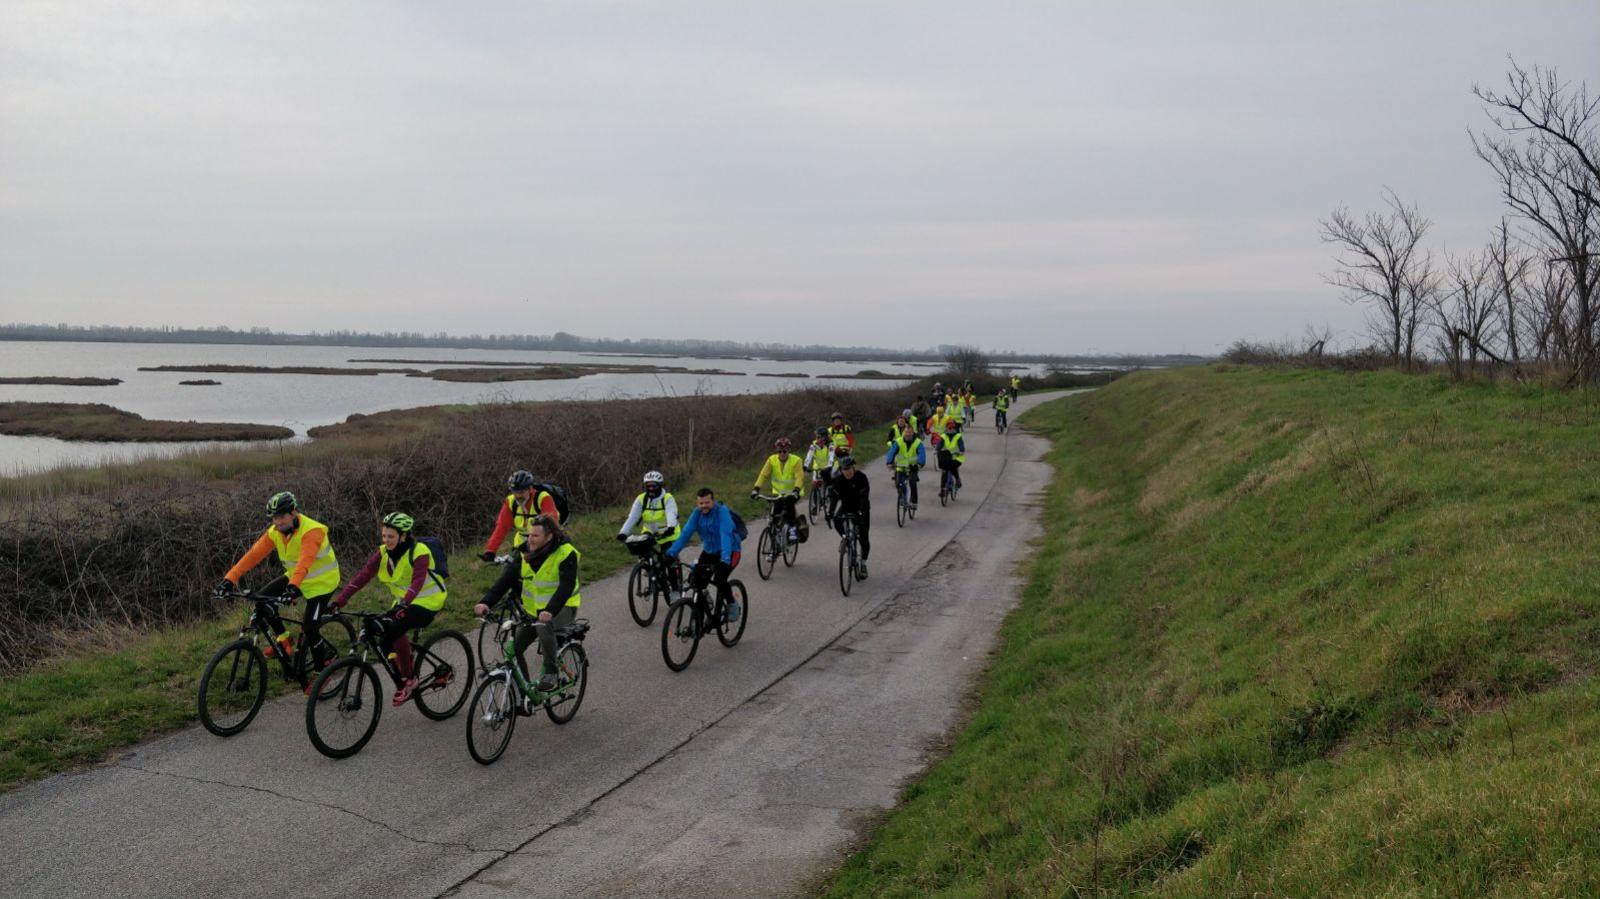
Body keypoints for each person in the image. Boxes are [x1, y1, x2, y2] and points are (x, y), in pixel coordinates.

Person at [330, 512, 448, 705]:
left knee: (394, 628)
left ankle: (410, 681)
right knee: (383, 636)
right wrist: (340, 601)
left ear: (403, 536)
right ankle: (405, 660)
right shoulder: (384, 553)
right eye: (384, 536)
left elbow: (418, 581)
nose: (386, 540)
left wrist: (404, 604)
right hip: (405, 601)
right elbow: (363, 576)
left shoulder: (419, 551)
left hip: (429, 600)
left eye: (390, 536)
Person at [215, 491, 340, 668]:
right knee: (262, 602)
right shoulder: (275, 532)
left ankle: (322, 670)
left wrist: (292, 589)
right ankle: (284, 639)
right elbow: (252, 556)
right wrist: (229, 579)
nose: (277, 522)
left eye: (281, 516)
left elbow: (304, 562)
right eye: (274, 517)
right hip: (296, 579)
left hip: (322, 583)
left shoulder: (312, 531)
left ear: (294, 512)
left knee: (311, 628)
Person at [474, 515, 582, 698]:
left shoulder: (566, 552)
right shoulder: (523, 553)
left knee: (543, 626)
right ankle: (526, 692)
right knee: (512, 650)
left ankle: (551, 671)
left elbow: (566, 586)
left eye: (535, 536)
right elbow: (505, 580)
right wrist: (486, 602)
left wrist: (550, 610)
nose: (530, 539)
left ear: (549, 537)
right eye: (529, 535)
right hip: (533, 612)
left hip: (562, 608)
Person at [666, 488, 743, 624]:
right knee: (695, 580)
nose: (704, 506)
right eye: (701, 503)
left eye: (707, 503)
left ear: (713, 501)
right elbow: (685, 534)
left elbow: (725, 535)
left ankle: (732, 604)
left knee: (720, 579)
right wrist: (671, 553)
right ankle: (701, 615)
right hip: (709, 552)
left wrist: (725, 560)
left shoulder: (721, 512)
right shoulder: (697, 514)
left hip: (730, 551)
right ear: (697, 503)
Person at [614, 470, 683, 595]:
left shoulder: (668, 498)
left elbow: (671, 513)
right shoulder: (641, 499)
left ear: (660, 486)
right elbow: (633, 517)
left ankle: (675, 591)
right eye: (648, 486)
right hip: (650, 532)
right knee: (642, 550)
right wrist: (623, 532)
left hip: (668, 533)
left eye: (654, 486)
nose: (651, 488)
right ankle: (652, 569)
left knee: (669, 561)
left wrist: (671, 527)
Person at [480, 469, 560, 562]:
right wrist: (490, 550)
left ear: (530, 489)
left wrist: (530, 544)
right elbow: (502, 526)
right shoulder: (510, 501)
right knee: (507, 575)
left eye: (521, 492)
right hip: (520, 547)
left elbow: (550, 525)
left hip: (543, 545)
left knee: (538, 575)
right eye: (515, 492)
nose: (518, 496)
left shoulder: (543, 498)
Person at [753, 437, 807, 543]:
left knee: (789, 504)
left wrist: (796, 490)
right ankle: (774, 544)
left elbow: (799, 477)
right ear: (777, 451)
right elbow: (763, 475)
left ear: (789, 450)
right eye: (780, 451)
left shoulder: (796, 461)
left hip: (793, 492)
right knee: (775, 516)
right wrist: (756, 488)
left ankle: (792, 529)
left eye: (785, 451)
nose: (782, 453)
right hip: (778, 493)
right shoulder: (771, 460)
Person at [830, 455, 872, 579]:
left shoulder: (861, 478)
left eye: (849, 469)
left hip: (861, 507)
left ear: (853, 468)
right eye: (844, 469)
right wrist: (830, 512)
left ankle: (863, 564)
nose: (847, 472)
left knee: (863, 538)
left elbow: (864, 498)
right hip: (846, 506)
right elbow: (834, 498)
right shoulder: (839, 480)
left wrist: (861, 513)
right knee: (837, 520)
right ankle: (845, 538)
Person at [884, 419, 926, 509]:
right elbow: (891, 452)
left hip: (913, 467)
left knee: (912, 482)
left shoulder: (918, 442)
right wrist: (889, 462)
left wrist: (920, 463)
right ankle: (903, 498)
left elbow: (922, 454)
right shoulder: (898, 442)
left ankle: (914, 502)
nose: (908, 434)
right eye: (906, 432)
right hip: (900, 467)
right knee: (898, 483)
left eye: (910, 432)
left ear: (912, 433)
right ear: (904, 432)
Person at [804, 427, 835, 500]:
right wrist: (805, 465)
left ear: (824, 437)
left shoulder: (830, 445)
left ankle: (831, 493)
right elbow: (809, 456)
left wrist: (829, 466)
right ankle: (814, 505)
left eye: (819, 436)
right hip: (817, 466)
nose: (817, 438)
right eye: (816, 436)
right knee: (814, 485)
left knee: (828, 481)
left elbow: (831, 456)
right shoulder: (813, 445)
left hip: (827, 466)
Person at [939, 419, 967, 492]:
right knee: (944, 471)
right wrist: (936, 450)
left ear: (955, 428)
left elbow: (961, 445)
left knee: (952, 466)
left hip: (957, 458)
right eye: (949, 428)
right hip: (946, 457)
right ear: (946, 428)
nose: (951, 430)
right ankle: (942, 489)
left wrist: (961, 451)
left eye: (952, 428)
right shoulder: (943, 436)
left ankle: (957, 479)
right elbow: (939, 445)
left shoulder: (958, 436)